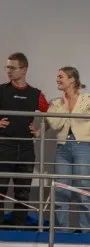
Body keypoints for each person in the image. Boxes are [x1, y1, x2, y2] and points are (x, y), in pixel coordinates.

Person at [47, 66, 90, 231]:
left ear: (72, 79)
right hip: (62, 149)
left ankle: (86, 231)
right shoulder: (56, 103)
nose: (57, 80)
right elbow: (55, 124)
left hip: (82, 147)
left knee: (84, 190)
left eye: (61, 77)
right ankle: (62, 231)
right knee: (61, 191)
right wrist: (65, 104)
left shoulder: (87, 99)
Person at [0, 52, 48, 229]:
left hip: (26, 148)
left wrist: (41, 130)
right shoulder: (2, 90)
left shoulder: (36, 94)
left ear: (24, 69)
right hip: (4, 146)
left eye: (12, 67)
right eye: (7, 67)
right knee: (0, 189)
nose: (8, 71)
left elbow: (54, 114)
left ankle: (19, 228)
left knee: (23, 192)